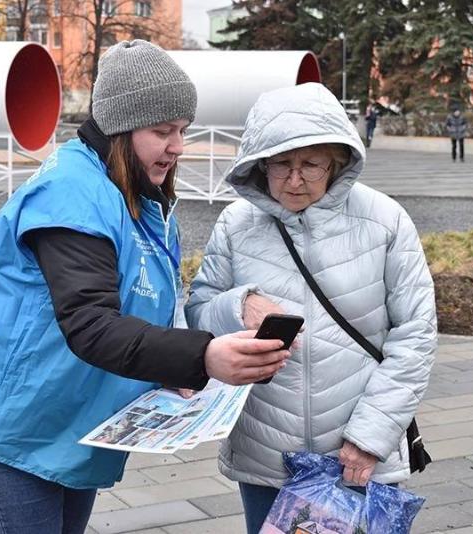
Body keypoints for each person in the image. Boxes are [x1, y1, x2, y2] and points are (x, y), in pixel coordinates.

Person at [0, 40, 291, 534]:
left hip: (63, 420)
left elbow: (140, 302)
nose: (178, 146)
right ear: (120, 127)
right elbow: (91, 323)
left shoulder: (138, 193)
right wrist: (201, 356)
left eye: (183, 129)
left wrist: (169, 365)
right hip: (7, 426)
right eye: (162, 131)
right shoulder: (73, 194)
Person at [185, 82, 437, 534]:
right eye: (281, 164)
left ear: (337, 162)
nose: (294, 180)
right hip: (266, 453)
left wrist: (370, 436)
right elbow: (199, 310)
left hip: (358, 456)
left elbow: (415, 335)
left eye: (311, 165)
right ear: (259, 163)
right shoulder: (235, 224)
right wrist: (239, 304)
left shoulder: (385, 221)